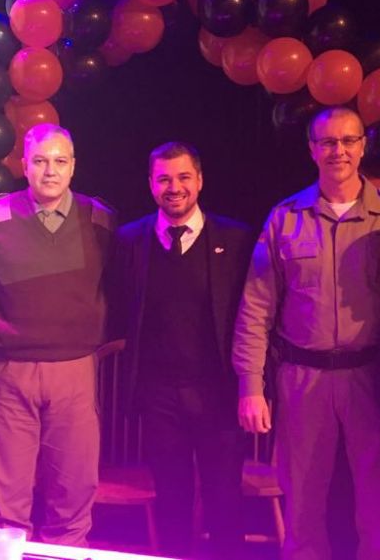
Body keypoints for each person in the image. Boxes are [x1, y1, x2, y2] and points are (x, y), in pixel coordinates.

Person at [234, 106, 380, 560]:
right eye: (328, 142)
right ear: (312, 149)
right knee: (302, 494)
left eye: (348, 140)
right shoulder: (285, 218)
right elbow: (256, 307)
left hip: (372, 376)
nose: (339, 151)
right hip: (303, 377)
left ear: (363, 146)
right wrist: (251, 385)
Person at [0, 123, 115, 546]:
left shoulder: (99, 219)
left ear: (73, 166)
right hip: (11, 374)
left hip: (74, 373)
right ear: (24, 165)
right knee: (6, 502)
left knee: (73, 495)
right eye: (40, 161)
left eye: (60, 161)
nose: (50, 171)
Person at [109, 141, 253, 558]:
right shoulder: (129, 240)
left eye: (184, 177)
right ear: (151, 184)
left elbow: (254, 314)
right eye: (164, 179)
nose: (174, 187)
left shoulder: (236, 238)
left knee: (225, 502)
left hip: (219, 393)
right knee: (171, 500)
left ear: (200, 180)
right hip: (159, 397)